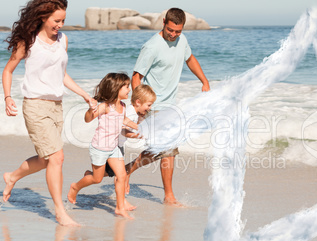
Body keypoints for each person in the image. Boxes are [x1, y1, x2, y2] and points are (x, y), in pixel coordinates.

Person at [2, 0, 97, 226]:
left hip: (56, 107)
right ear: (43, 17)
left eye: (63, 20)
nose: (60, 25)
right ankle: (59, 212)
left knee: (47, 160)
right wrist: (7, 97)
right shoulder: (29, 40)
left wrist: (85, 95)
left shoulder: (63, 40)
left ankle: (12, 176)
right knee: (57, 157)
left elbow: (62, 75)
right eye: (56, 20)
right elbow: (8, 70)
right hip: (35, 106)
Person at [130, 7, 210, 206]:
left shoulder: (182, 41)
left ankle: (127, 172)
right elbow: (136, 77)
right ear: (163, 22)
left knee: (164, 150)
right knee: (167, 149)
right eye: (170, 30)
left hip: (171, 105)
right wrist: (139, 107)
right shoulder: (151, 46)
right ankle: (167, 195)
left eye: (178, 31)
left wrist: (204, 81)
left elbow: (190, 59)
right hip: (152, 105)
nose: (173, 35)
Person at [67, 73, 138, 219]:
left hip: (113, 148)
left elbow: (123, 119)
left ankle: (119, 208)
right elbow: (88, 119)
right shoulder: (105, 107)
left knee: (122, 175)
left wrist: (136, 127)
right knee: (97, 179)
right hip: (99, 148)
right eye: (126, 86)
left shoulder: (123, 106)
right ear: (116, 88)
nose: (129, 89)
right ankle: (75, 187)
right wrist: (90, 109)